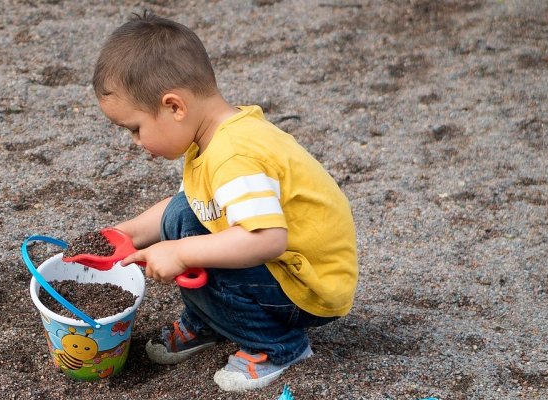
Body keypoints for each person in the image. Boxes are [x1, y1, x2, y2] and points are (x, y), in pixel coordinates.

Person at [93, 12, 358, 392]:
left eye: (135, 129)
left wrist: (182, 252)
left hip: (307, 287)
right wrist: (128, 233)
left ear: (174, 106)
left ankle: (278, 347)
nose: (136, 142)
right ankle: (211, 321)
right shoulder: (216, 135)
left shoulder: (235, 156)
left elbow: (266, 239)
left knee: (193, 246)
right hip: (286, 268)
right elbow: (189, 205)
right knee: (184, 218)